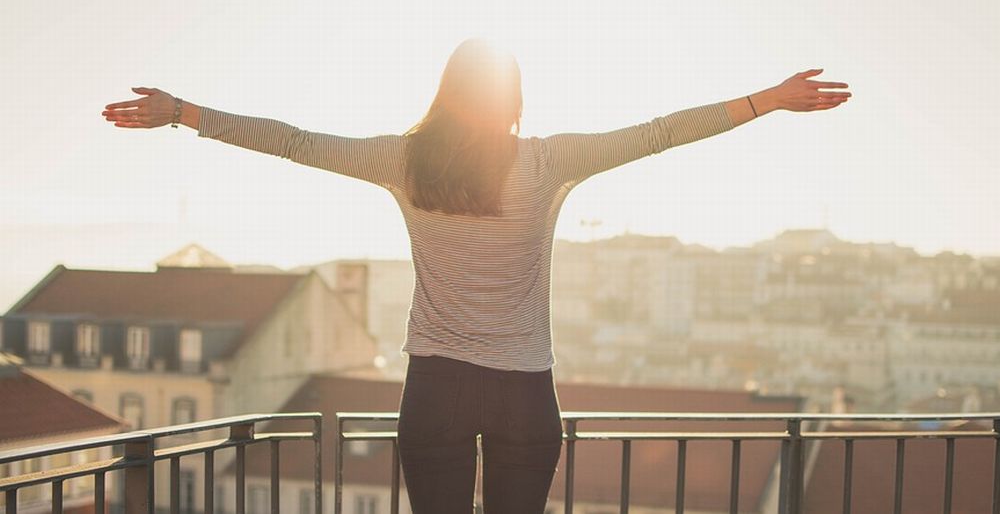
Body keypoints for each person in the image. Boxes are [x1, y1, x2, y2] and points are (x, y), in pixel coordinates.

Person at [102, 37, 850, 513]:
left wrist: (183, 112)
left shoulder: (403, 159)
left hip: (435, 388)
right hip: (525, 390)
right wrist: (768, 101)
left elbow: (297, 143)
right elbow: (656, 135)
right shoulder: (548, 161)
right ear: (514, 99)